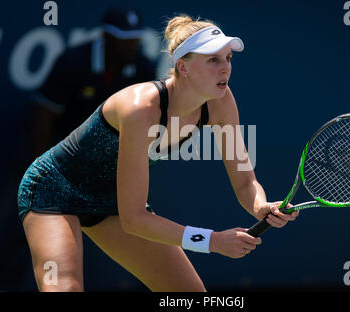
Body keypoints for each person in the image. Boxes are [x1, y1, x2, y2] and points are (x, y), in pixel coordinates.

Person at [17, 15, 299, 292]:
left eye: (228, 59)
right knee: (64, 287)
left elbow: (245, 183)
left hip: (111, 201)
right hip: (55, 191)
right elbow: (134, 219)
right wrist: (211, 241)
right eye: (213, 59)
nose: (225, 68)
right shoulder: (141, 108)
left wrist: (261, 206)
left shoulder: (221, 103)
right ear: (183, 67)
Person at [31, 7, 157, 157]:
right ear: (107, 37)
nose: (131, 47)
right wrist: (44, 172)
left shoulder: (143, 69)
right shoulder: (73, 62)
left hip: (111, 155)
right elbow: (44, 121)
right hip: (64, 149)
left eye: (135, 40)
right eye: (124, 40)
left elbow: (145, 126)